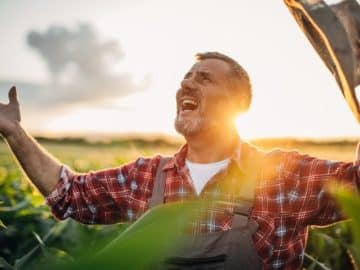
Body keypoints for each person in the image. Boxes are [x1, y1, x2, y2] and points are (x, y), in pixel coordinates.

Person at [1, 52, 359, 270]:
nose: (187, 85)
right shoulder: (146, 177)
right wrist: (14, 132)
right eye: (185, 78)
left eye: (204, 78)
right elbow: (71, 193)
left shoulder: (284, 175)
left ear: (238, 104)